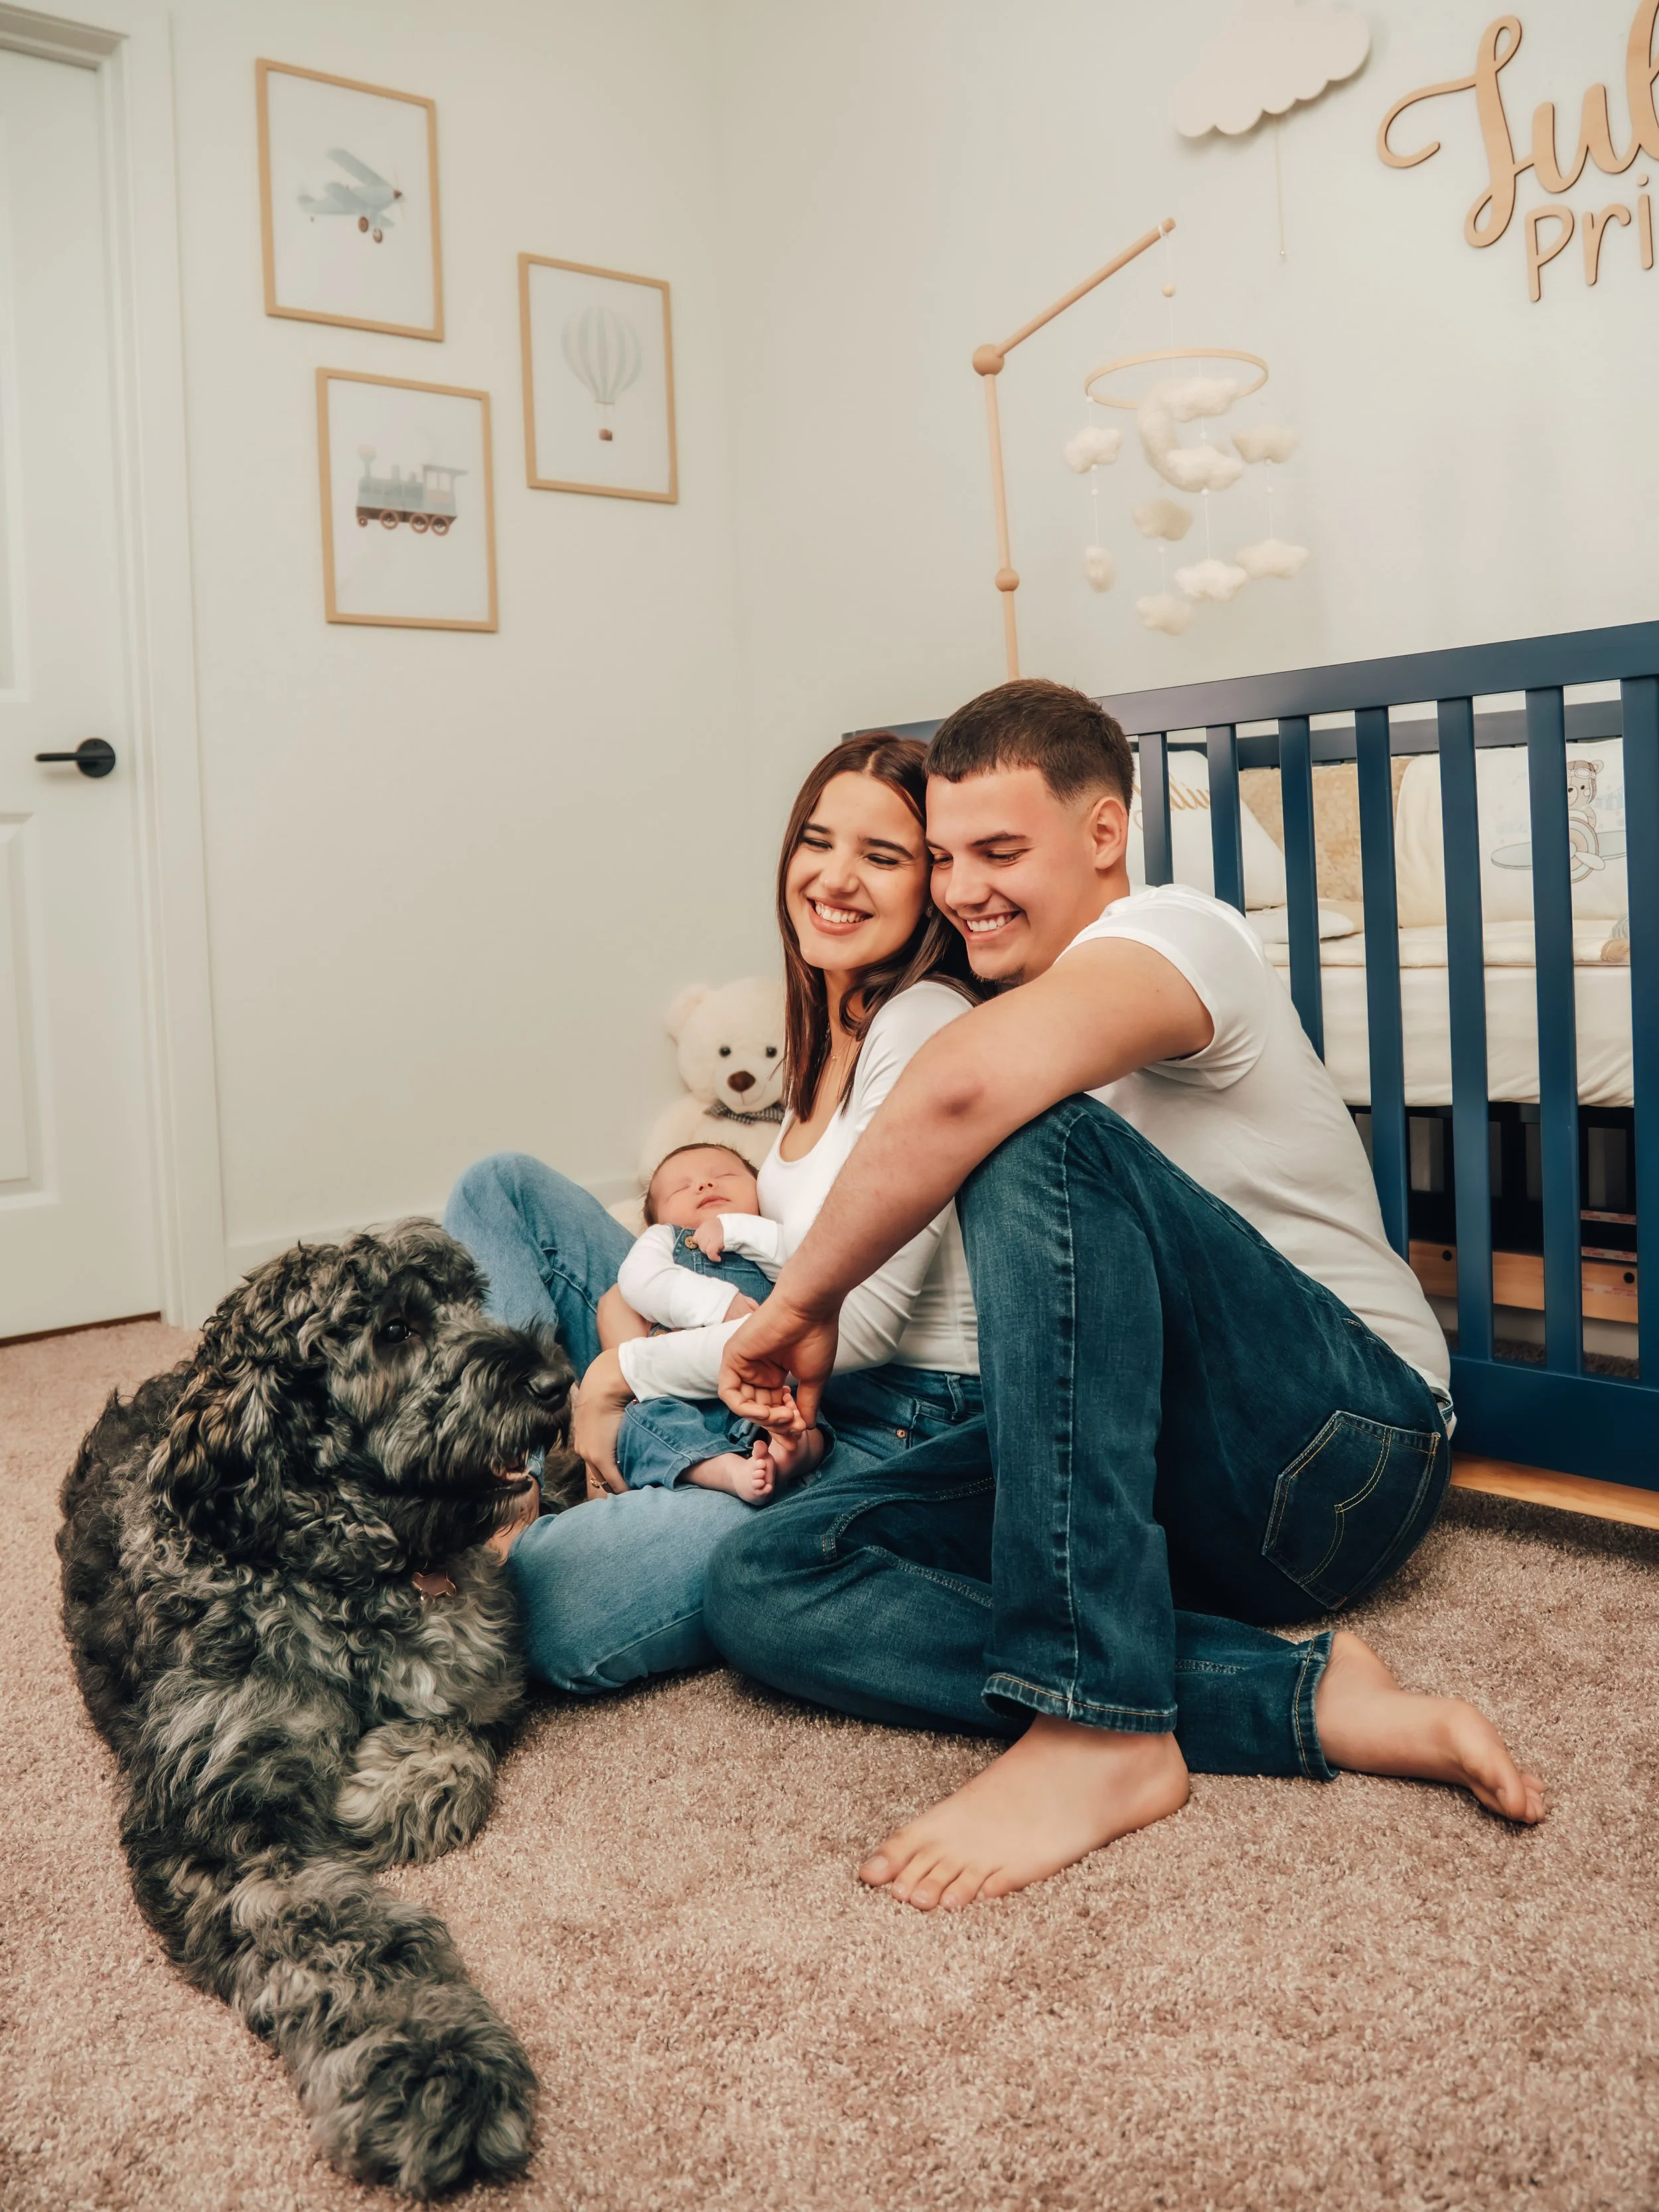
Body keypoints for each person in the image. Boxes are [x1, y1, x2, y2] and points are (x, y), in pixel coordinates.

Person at [708, 678, 1546, 1913]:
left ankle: (1093, 1723)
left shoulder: (1178, 932)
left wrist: (796, 1307)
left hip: (1346, 1449)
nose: (961, 888)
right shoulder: (1023, 1011)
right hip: (1174, 1494)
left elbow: (960, 1096)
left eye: (1001, 850)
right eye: (942, 857)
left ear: (1104, 833)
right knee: (770, 1580)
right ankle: (1297, 1693)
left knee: (1018, 1127)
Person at [442, 731, 985, 1694]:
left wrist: (618, 1371)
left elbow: (848, 1333)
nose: (835, 877)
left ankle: (584, 1465)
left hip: (863, 1414)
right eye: (818, 840)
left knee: (541, 1611)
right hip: (742, 1333)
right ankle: (517, 1483)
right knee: (501, 1186)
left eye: (883, 856)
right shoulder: (823, 1024)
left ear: (934, 885)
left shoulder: (924, 1025)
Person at [610, 1141, 822, 1503]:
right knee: (640, 1422)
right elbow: (638, 1280)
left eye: (722, 1175)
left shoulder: (773, 1232)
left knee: (808, 1420)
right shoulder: (666, 1239)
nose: (705, 1186)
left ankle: (786, 1454)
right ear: (655, 1219)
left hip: (770, 1385)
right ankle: (725, 1470)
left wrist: (740, 1229)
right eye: (682, 1187)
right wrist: (720, 1304)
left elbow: (807, 1264)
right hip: (679, 1391)